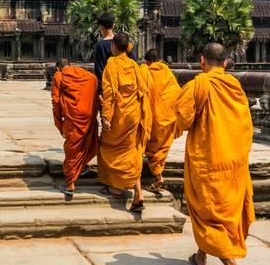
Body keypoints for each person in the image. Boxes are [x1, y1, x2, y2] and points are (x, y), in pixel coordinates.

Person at [175, 43, 254, 265]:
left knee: (208, 211)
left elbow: (182, 120)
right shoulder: (234, 86)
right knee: (216, 211)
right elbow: (246, 124)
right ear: (225, 63)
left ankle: (229, 261)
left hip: (208, 160)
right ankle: (201, 256)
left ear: (202, 61)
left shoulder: (199, 84)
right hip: (233, 160)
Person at [97, 32, 151, 213]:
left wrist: (106, 116)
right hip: (133, 114)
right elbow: (143, 91)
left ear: (113, 47)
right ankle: (138, 193)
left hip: (119, 116)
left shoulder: (112, 65)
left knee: (109, 148)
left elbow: (110, 93)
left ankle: (117, 187)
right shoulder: (134, 65)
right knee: (132, 150)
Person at [51, 58, 99, 197]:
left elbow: (56, 100)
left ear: (58, 68)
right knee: (86, 144)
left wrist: (59, 120)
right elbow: (94, 81)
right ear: (70, 65)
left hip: (73, 116)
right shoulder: (86, 74)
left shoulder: (59, 75)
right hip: (88, 115)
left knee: (72, 147)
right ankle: (81, 166)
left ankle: (70, 183)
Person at [140, 48, 181, 192]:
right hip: (168, 117)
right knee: (162, 147)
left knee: (151, 147)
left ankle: (158, 176)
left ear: (148, 60)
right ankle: (158, 175)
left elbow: (142, 93)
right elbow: (176, 92)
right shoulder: (168, 73)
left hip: (153, 118)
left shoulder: (145, 72)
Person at [93, 12, 137, 85]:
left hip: (111, 85)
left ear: (101, 27)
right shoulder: (123, 40)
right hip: (127, 84)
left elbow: (100, 70)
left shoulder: (100, 45)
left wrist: (100, 90)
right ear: (113, 25)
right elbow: (134, 61)